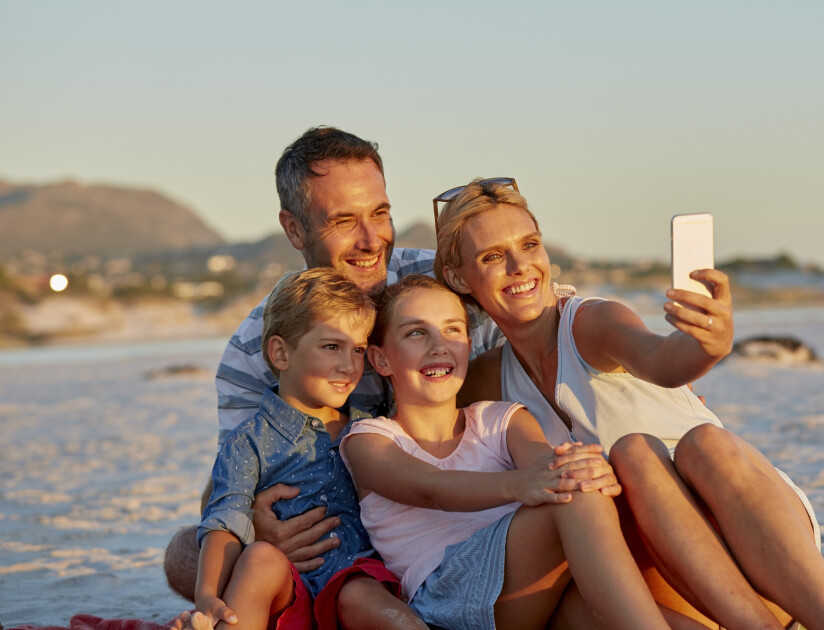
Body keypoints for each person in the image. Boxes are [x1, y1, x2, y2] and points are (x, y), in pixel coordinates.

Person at [434, 178, 824, 630]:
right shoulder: (484, 379)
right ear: (459, 277)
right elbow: (420, 437)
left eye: (529, 245)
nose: (520, 266)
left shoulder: (591, 322)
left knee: (670, 448)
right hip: (680, 586)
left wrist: (708, 345)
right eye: (493, 256)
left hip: (764, 550)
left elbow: (663, 359)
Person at [162, 126, 504, 607]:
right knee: (185, 553)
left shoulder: (443, 287)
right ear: (294, 229)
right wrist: (257, 527)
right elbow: (231, 475)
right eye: (344, 221)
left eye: (380, 213)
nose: (371, 240)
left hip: (459, 511)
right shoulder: (255, 348)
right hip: (339, 543)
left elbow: (541, 321)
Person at [340, 274, 671, 630]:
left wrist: (588, 470)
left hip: (530, 589)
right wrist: (524, 484)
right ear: (381, 359)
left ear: (468, 346)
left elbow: (547, 467)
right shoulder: (369, 440)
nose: (439, 346)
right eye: (416, 332)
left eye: (452, 330)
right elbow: (431, 487)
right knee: (570, 493)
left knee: (577, 488)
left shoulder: (500, 419)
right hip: (448, 592)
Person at [184, 268, 423, 630]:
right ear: (281, 353)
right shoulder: (248, 441)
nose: (349, 365)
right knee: (260, 558)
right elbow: (225, 521)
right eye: (331, 347)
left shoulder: (371, 431)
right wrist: (206, 597)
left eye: (358, 350)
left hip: (355, 582)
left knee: (359, 591)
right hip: (284, 594)